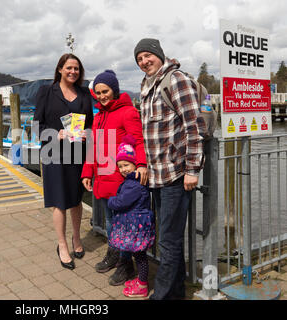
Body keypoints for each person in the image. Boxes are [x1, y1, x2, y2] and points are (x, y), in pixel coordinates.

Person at [134, 38, 205, 300]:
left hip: (176, 174)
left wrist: (192, 169)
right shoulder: (146, 85)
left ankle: (161, 296)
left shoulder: (175, 80)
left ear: (159, 55)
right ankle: (175, 293)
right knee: (169, 239)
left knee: (168, 241)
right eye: (139, 59)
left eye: (147, 56)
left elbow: (193, 125)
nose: (144, 62)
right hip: (157, 176)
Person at [81, 70, 147, 285]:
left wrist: (142, 165)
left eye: (105, 91)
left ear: (114, 90)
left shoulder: (127, 112)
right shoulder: (98, 116)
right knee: (111, 222)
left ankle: (126, 265)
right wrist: (87, 172)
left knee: (124, 225)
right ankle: (115, 254)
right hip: (102, 177)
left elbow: (138, 141)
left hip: (120, 180)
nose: (101, 96)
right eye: (98, 93)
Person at [33, 53, 94, 270]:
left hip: (77, 153)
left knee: (76, 199)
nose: (73, 72)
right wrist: (54, 134)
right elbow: (36, 127)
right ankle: (62, 244)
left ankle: (77, 238)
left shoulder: (85, 93)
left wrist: (88, 134)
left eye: (76, 68)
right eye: (69, 68)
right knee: (59, 201)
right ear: (60, 69)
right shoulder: (47, 92)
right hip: (54, 153)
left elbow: (91, 124)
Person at [107, 135, 155, 299]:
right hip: (135, 225)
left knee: (140, 256)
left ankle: (142, 285)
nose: (123, 169)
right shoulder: (132, 181)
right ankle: (140, 280)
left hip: (137, 226)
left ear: (136, 163)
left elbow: (121, 202)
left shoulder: (134, 183)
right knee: (138, 254)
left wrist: (111, 200)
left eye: (126, 164)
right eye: (120, 166)